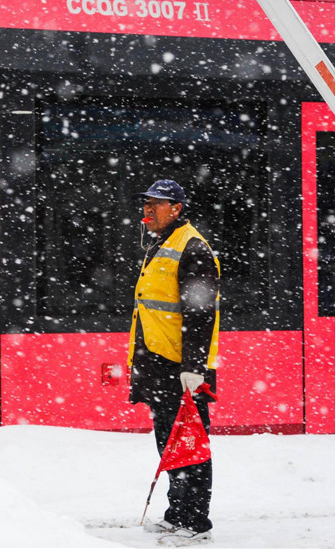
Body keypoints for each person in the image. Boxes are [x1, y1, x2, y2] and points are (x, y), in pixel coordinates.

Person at [128, 179, 220, 546]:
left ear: (177, 208)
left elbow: (201, 313)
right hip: (160, 363)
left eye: (157, 204)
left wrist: (194, 368)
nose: (148, 210)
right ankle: (177, 514)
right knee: (170, 441)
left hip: (181, 368)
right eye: (146, 203)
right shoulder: (161, 244)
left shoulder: (191, 247)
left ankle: (196, 522)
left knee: (190, 443)